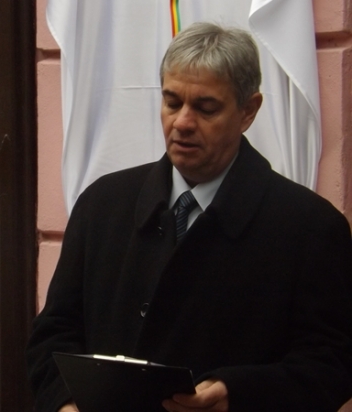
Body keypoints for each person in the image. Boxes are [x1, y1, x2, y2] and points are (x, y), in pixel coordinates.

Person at [26, 22, 352, 412]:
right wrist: (64, 403)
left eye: (205, 108)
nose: (182, 122)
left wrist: (235, 392)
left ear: (248, 111)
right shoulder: (102, 205)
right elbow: (53, 335)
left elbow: (331, 364)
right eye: (171, 102)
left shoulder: (310, 227)